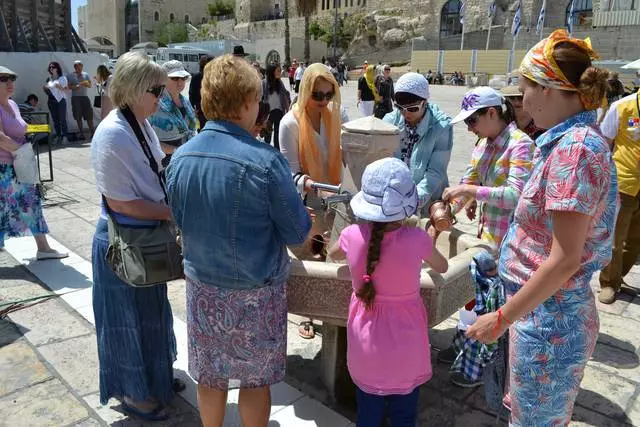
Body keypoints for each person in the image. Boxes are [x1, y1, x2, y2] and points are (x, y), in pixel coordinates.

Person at [467, 30, 618, 426]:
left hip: (548, 322)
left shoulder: (576, 151)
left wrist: (500, 318)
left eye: (524, 89)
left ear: (549, 88)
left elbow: (565, 258)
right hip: (540, 315)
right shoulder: (570, 142)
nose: (521, 102)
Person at [166, 54, 311, 427]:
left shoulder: (180, 158)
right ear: (247, 102)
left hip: (204, 289)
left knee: (211, 376)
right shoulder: (266, 161)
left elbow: (178, 220)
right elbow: (297, 234)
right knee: (255, 380)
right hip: (256, 294)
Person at [91, 52, 179, 421]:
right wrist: (173, 214)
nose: (162, 96)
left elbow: (158, 166)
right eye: (156, 90)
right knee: (125, 323)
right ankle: (133, 393)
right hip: (123, 243)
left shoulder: (138, 123)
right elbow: (121, 203)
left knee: (152, 316)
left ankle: (155, 378)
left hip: (147, 240)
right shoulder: (113, 132)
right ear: (134, 89)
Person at [328, 157, 448, 427]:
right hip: (406, 349)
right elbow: (443, 265)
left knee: (367, 417)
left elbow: (333, 254)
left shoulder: (352, 234)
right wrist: (426, 238)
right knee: (404, 417)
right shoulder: (417, 239)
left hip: (366, 348)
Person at [437, 86, 535, 388]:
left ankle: (480, 369)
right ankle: (466, 347)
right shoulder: (484, 143)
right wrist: (450, 208)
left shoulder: (520, 145)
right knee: (476, 297)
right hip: (485, 237)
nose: (470, 129)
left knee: (493, 306)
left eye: (472, 121)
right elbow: (470, 178)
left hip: (510, 242)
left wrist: (471, 193)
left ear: (492, 113)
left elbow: (517, 195)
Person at [279, 63, 349, 339]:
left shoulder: (337, 115)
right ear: (305, 90)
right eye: (316, 95)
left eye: (327, 95)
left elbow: (347, 152)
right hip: (307, 200)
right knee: (309, 255)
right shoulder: (290, 123)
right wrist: (309, 184)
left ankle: (329, 311)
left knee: (333, 254)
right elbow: (289, 170)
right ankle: (308, 314)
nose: (322, 101)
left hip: (336, 197)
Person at [0, 66, 68, 259]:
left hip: (19, 166)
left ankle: (43, 248)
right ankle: (43, 248)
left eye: (12, 78)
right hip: (4, 169)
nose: (10, 83)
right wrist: (21, 150)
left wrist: (34, 129)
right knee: (8, 208)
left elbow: (20, 127)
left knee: (32, 202)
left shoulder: (12, 105)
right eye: (4, 79)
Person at [383, 72, 453, 213]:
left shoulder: (441, 126)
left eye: (412, 109)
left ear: (425, 102)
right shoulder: (389, 121)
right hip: (394, 199)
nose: (405, 113)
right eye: (400, 108)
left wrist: (413, 201)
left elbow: (435, 172)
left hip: (427, 200)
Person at [597, 81, 640, 303]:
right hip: (624, 182)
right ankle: (608, 282)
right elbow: (605, 143)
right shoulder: (623, 107)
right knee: (615, 237)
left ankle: (618, 277)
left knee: (635, 240)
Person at [149, 60, 197, 168]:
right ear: (163, 80)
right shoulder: (155, 103)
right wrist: (176, 151)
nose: (180, 82)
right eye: (174, 78)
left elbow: (192, 128)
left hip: (185, 155)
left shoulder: (185, 101)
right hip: (164, 159)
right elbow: (147, 138)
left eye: (183, 78)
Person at [262, 62, 291, 149]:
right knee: (267, 134)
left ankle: (277, 151)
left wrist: (288, 110)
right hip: (268, 113)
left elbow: (285, 97)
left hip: (279, 111)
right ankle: (267, 151)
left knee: (278, 134)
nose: (280, 72)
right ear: (272, 72)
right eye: (278, 70)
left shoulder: (280, 83)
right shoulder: (264, 83)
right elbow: (260, 98)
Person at [43, 61, 70, 145]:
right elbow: (48, 89)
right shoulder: (49, 79)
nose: (51, 68)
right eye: (50, 67)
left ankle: (65, 137)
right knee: (55, 120)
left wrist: (59, 87)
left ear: (57, 68)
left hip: (60, 100)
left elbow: (67, 90)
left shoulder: (62, 78)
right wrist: (45, 89)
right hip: (51, 101)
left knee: (62, 119)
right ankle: (59, 136)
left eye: (53, 67)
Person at [67, 60, 94, 140]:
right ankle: (81, 133)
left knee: (89, 115)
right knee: (78, 116)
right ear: (75, 67)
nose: (79, 68)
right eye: (77, 66)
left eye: (80, 66)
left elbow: (90, 85)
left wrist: (86, 83)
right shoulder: (70, 75)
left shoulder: (85, 74)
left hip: (85, 97)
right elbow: (69, 87)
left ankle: (92, 132)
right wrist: (78, 85)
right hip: (75, 98)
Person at [189, 54, 214, 130]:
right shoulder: (197, 77)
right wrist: (192, 109)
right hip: (202, 108)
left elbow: (191, 95)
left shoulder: (214, 77)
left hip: (211, 109)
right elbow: (192, 95)